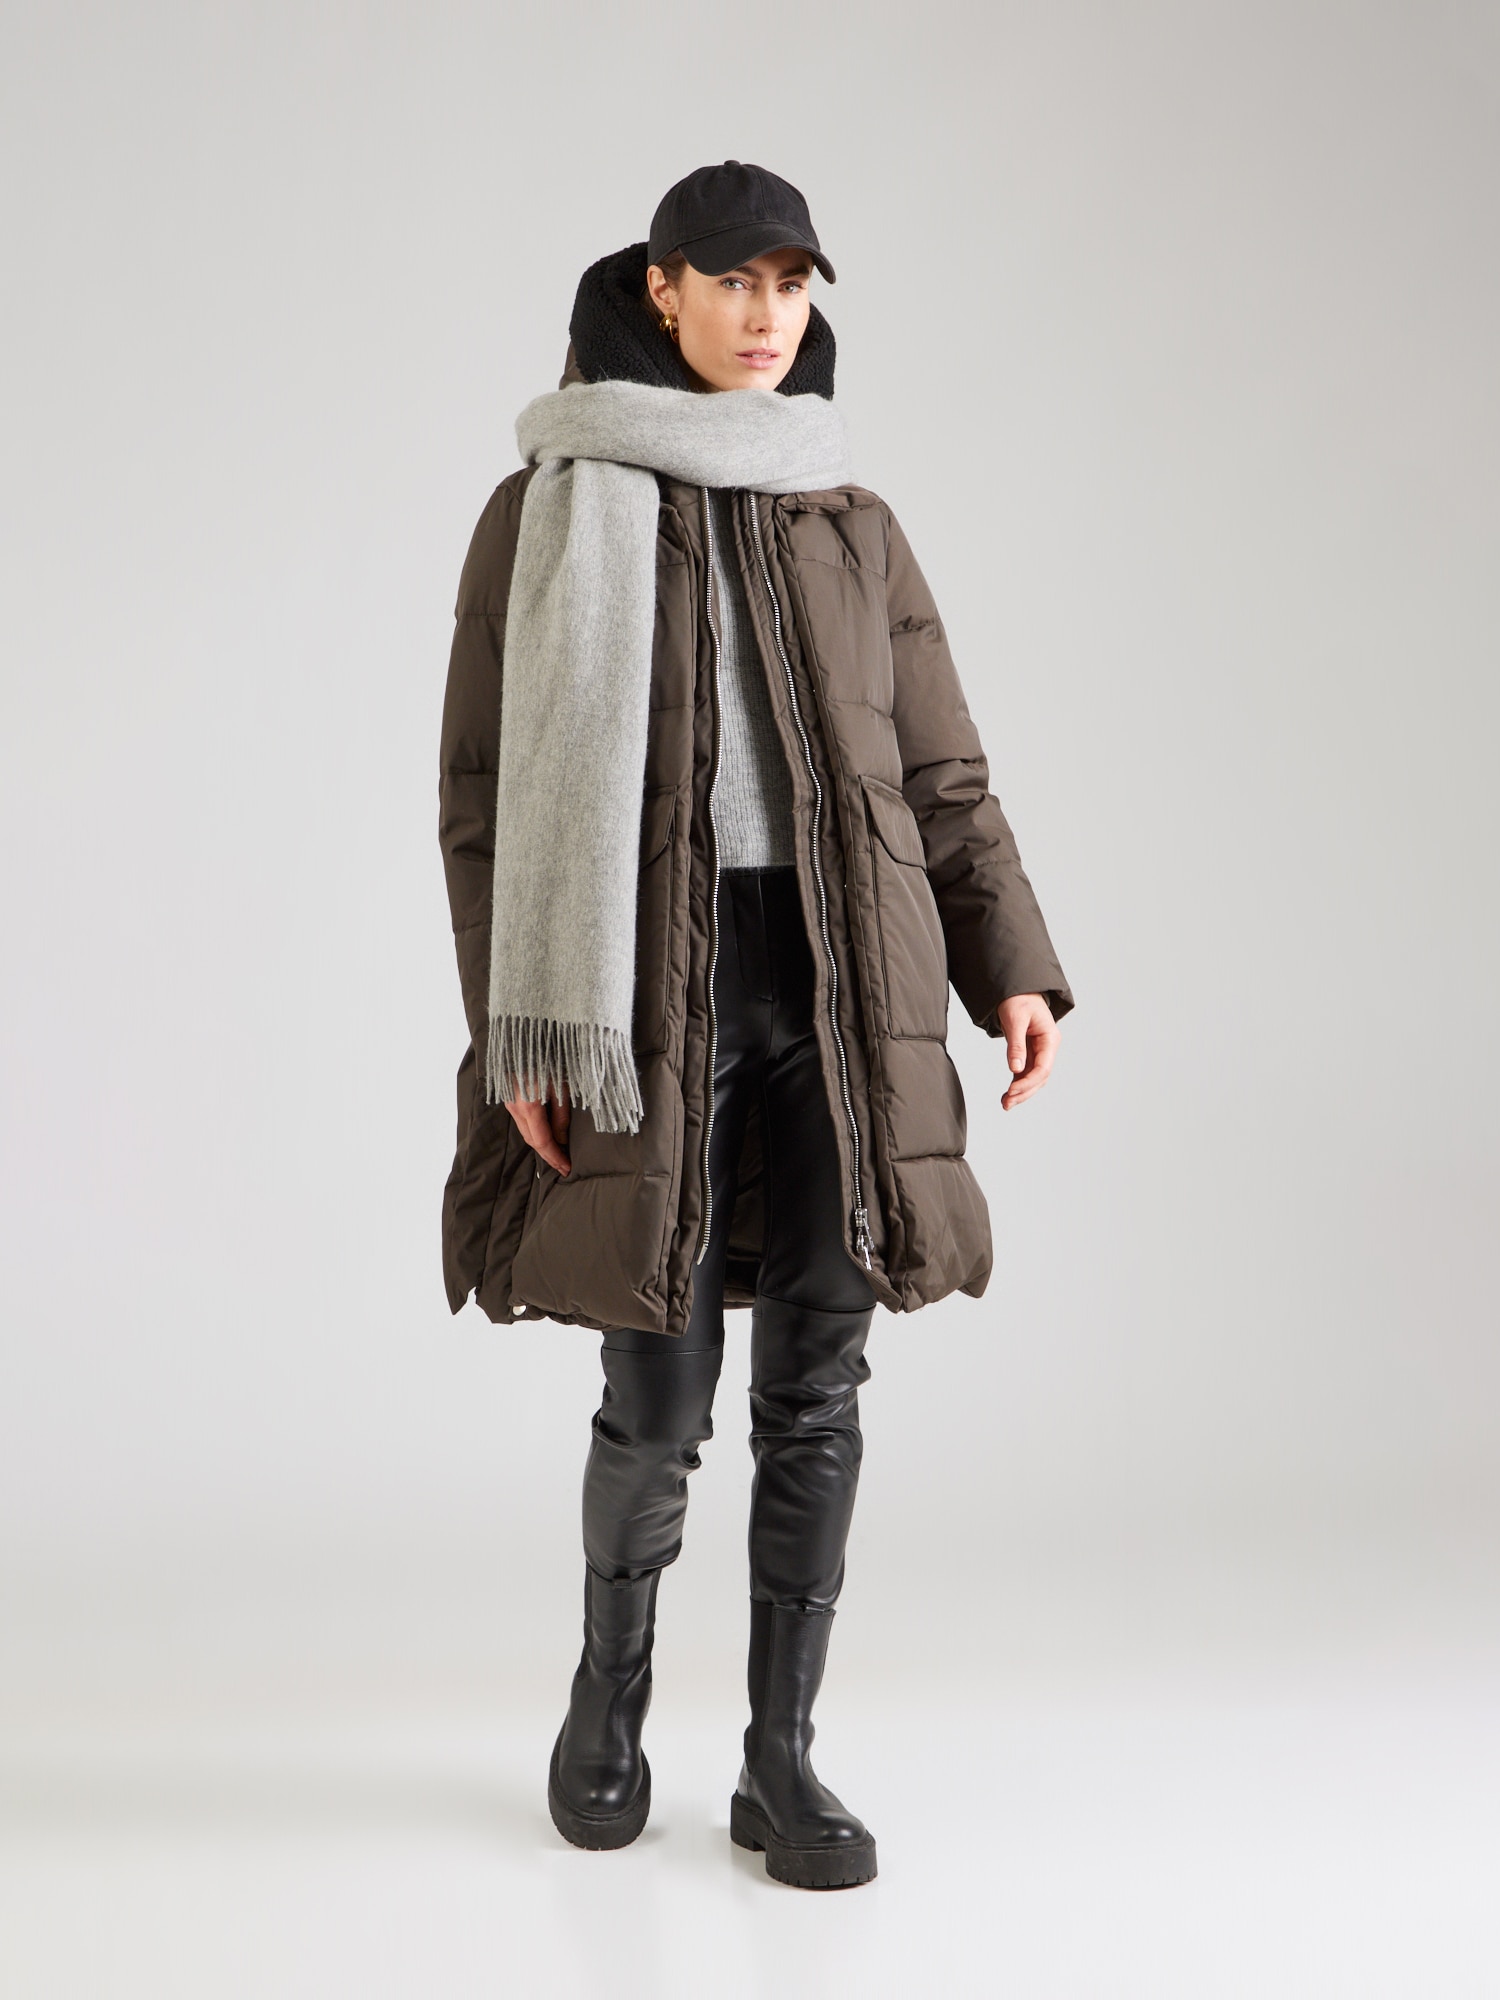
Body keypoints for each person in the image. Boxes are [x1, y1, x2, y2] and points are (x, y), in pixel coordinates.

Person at [437, 160, 1073, 1890]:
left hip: (842, 995)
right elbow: (484, 799)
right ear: (661, 290)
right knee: (656, 1393)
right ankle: (608, 1699)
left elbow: (940, 775)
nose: (767, 313)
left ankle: (781, 1758)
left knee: (821, 1387)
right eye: (733, 280)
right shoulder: (547, 510)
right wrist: (521, 1038)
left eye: (791, 282)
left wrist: (1010, 964)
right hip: (640, 996)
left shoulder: (848, 518)